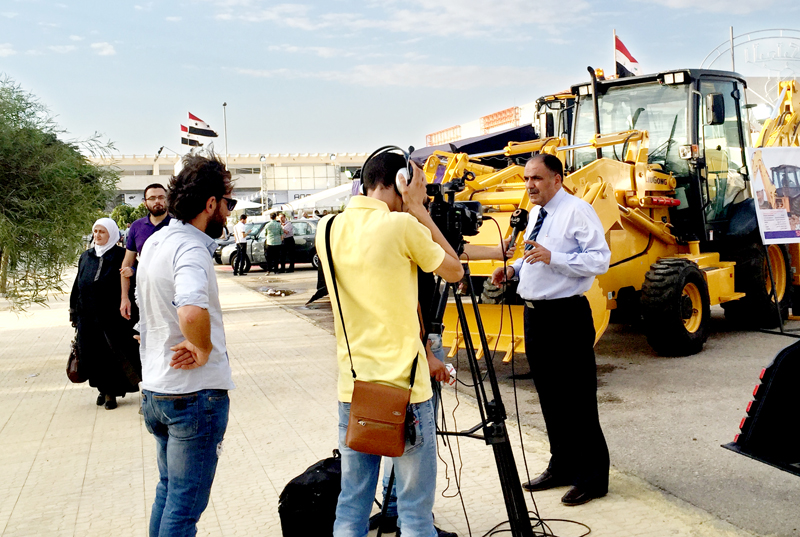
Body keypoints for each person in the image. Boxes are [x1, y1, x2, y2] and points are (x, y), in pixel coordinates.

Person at [318, 150, 463, 537]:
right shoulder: (401, 226)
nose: (423, 193)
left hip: (355, 388)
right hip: (405, 390)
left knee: (352, 505)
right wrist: (419, 211)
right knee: (414, 515)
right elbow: (455, 270)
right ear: (401, 182)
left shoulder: (327, 228)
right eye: (419, 185)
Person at [491, 153, 611, 507]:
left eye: (537, 178)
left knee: (577, 398)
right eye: (527, 179)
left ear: (557, 179)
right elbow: (534, 254)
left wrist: (553, 258)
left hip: (565, 316)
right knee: (550, 397)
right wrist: (513, 269)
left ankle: (592, 478)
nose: (530, 185)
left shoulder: (577, 211)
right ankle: (562, 466)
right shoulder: (536, 213)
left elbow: (599, 259)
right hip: (536, 317)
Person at [136, 153, 236, 536]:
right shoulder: (190, 248)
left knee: (168, 492)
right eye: (228, 203)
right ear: (210, 204)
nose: (227, 212)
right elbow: (191, 310)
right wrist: (204, 348)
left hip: (158, 390)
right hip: (193, 396)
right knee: (184, 506)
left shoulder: (156, 241)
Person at [70, 218, 142, 410]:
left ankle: (111, 393)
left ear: (112, 234)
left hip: (113, 317)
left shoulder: (121, 255)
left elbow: (135, 277)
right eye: (95, 231)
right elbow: (78, 284)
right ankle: (102, 389)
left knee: (112, 354)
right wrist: (74, 311)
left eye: (102, 231)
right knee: (92, 354)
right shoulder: (86, 256)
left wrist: (132, 273)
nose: (98, 235)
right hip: (87, 316)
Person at [120, 183, 172, 321]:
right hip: (146, 290)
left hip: (172, 290)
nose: (157, 201)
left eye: (161, 197)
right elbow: (127, 263)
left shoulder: (177, 225)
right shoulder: (137, 226)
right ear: (145, 203)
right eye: (152, 198)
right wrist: (124, 298)